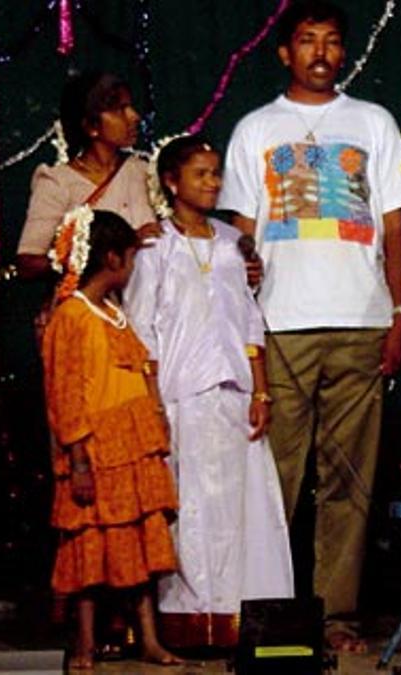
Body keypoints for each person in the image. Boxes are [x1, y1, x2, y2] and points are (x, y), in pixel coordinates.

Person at [217, 0, 401, 654]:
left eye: (332, 41)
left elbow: (393, 223)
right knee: (274, 479)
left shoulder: (373, 122)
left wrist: (398, 311)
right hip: (280, 323)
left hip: (360, 320)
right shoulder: (256, 129)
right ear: (284, 52)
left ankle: (337, 614)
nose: (321, 52)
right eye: (307, 41)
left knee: (348, 481)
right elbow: (242, 231)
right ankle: (270, 614)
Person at [123, 135, 294, 648]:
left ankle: (240, 619)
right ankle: (190, 619)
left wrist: (261, 394)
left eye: (216, 172)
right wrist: (152, 401)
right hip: (181, 395)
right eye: (201, 173)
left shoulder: (229, 242)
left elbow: (249, 324)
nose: (213, 182)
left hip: (233, 393)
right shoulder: (153, 246)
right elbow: (142, 328)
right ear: (172, 182)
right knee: (191, 508)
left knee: (243, 508)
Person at [41, 209, 181, 669]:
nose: (135, 267)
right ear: (112, 257)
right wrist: (79, 462)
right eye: (131, 257)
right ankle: (83, 644)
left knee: (137, 547)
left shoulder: (112, 312)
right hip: (96, 453)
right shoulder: (72, 317)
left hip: (131, 448)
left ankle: (150, 640)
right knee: (90, 548)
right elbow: (65, 392)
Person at [18, 72, 158, 281]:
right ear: (91, 127)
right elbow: (28, 264)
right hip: (92, 310)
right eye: (120, 110)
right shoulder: (58, 182)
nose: (134, 116)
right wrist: (118, 247)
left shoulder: (143, 171)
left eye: (130, 106)